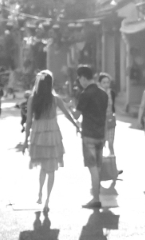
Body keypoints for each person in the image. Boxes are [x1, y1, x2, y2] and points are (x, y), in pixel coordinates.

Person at [22, 70, 80, 213]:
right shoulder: (55, 99)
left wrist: (25, 141)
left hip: (38, 135)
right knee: (52, 169)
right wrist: (77, 126)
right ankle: (47, 199)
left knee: (42, 168)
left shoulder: (32, 99)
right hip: (53, 135)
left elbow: (28, 121)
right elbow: (68, 115)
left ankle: (40, 192)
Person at [70, 65, 108, 209]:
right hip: (100, 135)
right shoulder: (103, 94)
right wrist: (104, 136)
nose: (79, 82)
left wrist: (69, 107)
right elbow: (105, 116)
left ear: (84, 78)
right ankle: (96, 197)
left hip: (88, 135)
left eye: (79, 79)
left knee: (92, 168)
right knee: (97, 168)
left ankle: (96, 199)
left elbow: (76, 115)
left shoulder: (85, 94)